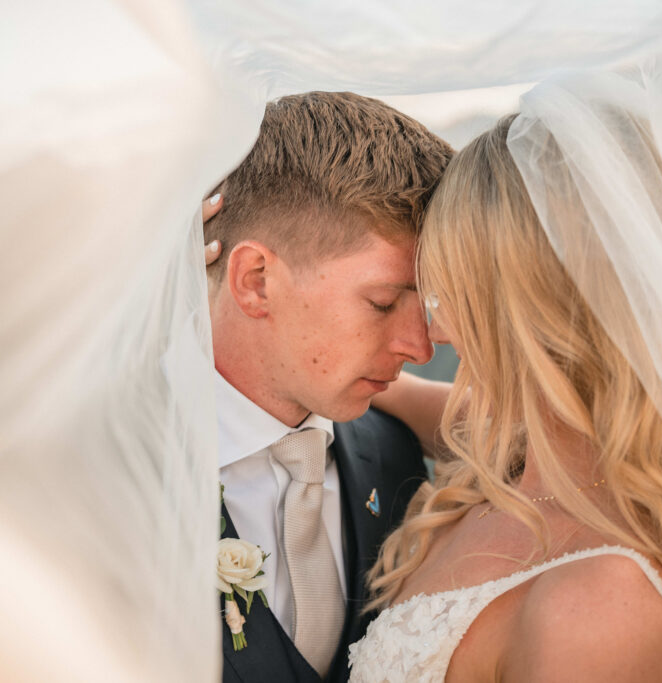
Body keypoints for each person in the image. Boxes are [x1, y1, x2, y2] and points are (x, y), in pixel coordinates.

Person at [346, 99, 662, 682]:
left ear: (532, 310)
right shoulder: (523, 460)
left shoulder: (599, 604)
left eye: (447, 295)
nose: (430, 333)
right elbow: (449, 415)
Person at [202, 91, 453, 683]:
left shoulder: (392, 450)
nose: (420, 349)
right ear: (256, 281)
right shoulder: (102, 474)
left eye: (429, 305)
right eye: (384, 302)